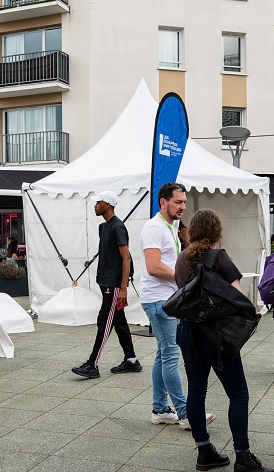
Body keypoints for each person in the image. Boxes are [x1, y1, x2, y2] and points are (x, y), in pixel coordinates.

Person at [175, 210, 274, 472]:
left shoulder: (181, 260)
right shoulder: (220, 258)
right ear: (217, 232)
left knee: (196, 391)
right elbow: (237, 298)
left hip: (188, 334)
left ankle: (204, 450)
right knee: (238, 394)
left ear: (192, 231)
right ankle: (243, 457)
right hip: (217, 338)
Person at [139, 183, 212, 430]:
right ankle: (185, 413)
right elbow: (153, 267)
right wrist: (184, 278)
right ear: (163, 202)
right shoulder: (153, 227)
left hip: (169, 298)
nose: (183, 206)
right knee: (170, 354)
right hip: (159, 300)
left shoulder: (170, 227)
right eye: (178, 202)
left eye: (184, 202)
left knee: (163, 353)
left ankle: (160, 409)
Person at [72, 192, 141, 379]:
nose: (95, 205)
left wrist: (123, 288)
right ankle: (132, 360)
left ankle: (92, 364)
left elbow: (126, 257)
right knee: (119, 322)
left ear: (108, 205)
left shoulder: (118, 227)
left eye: (98, 202)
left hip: (114, 285)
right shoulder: (104, 227)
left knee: (105, 321)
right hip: (105, 282)